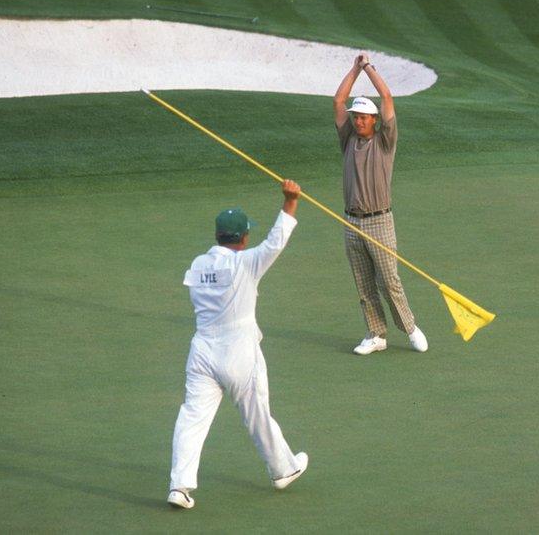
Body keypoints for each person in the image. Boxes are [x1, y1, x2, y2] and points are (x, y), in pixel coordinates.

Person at [167, 179, 308, 509]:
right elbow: (275, 243)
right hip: (239, 351)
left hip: (202, 352)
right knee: (257, 413)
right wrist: (290, 202)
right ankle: (283, 469)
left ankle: (179, 486)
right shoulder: (246, 263)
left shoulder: (199, 265)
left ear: (218, 236)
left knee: (191, 419)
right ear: (243, 238)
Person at [333, 52, 428, 356]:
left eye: (363, 117)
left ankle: (410, 327)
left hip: (379, 220)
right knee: (364, 284)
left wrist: (368, 68)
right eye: (356, 116)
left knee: (389, 280)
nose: (358, 121)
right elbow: (338, 102)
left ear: (373, 121)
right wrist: (353, 70)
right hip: (352, 221)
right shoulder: (348, 139)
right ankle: (376, 334)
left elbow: (387, 97)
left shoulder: (385, 141)